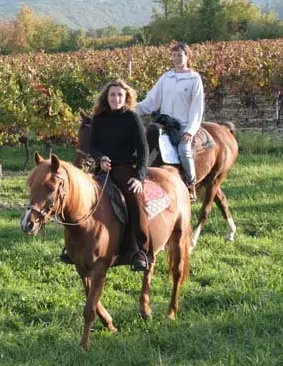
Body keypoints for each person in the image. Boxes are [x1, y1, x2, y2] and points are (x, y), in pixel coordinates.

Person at [60, 80, 150, 272]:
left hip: (126, 169)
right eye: (112, 95)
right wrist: (100, 158)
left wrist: (139, 176)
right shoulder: (99, 119)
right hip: (102, 170)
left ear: (126, 97)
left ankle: (141, 250)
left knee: (135, 201)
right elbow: (93, 146)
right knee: (78, 199)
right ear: (106, 97)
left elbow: (143, 149)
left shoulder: (132, 118)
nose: (116, 98)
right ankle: (72, 247)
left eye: (119, 95)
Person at [136, 42, 204, 201]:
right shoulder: (166, 77)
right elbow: (151, 102)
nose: (177, 58)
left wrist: (190, 130)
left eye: (180, 55)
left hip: (182, 125)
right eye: (174, 55)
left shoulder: (194, 79)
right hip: (164, 124)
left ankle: (190, 184)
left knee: (184, 151)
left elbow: (197, 107)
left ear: (187, 56)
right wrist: (130, 107)